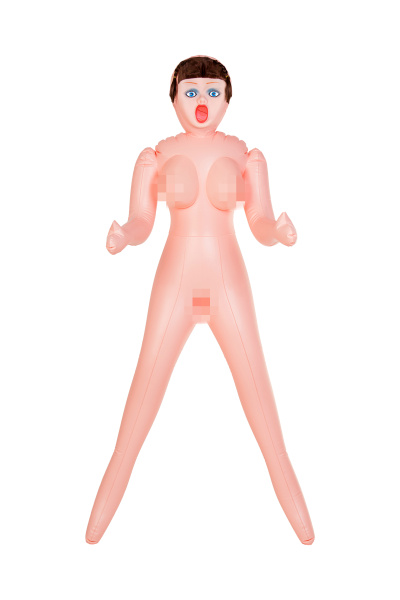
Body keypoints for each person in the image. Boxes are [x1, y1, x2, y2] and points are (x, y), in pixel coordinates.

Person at [86, 55, 315, 545]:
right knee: (140, 399)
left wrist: (278, 232)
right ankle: (97, 521)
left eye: (213, 92)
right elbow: (143, 221)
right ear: (173, 99)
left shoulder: (247, 157)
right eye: (191, 92)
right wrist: (124, 235)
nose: (202, 101)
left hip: (229, 282)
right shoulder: (155, 157)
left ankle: (302, 523)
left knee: (262, 404)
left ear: (228, 100)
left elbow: (259, 221)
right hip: (175, 282)